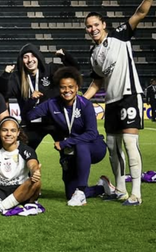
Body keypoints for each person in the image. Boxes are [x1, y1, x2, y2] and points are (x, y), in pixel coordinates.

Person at [83, 0, 156, 206]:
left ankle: (136, 194)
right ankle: (120, 190)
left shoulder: (120, 35)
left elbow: (140, 13)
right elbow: (96, 84)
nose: (92, 28)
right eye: (88, 26)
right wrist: (80, 102)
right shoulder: (93, 54)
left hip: (130, 95)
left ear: (103, 24)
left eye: (96, 24)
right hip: (111, 101)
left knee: (129, 142)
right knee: (113, 147)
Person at [26, 67, 114, 206]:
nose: (67, 91)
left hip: (94, 147)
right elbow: (30, 116)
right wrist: (32, 100)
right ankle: (101, 187)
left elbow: (91, 133)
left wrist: (65, 143)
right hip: (71, 152)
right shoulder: (52, 104)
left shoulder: (86, 105)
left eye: (71, 87)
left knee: (80, 145)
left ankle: (80, 191)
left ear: (77, 87)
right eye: (63, 87)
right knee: (69, 193)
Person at [0, 44, 78, 150]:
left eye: (33, 56)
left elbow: (75, 71)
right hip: (31, 124)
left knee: (69, 153)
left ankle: (67, 165)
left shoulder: (51, 70)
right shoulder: (17, 78)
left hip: (55, 121)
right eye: (26, 57)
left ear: (38, 57)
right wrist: (5, 75)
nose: (30, 60)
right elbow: (2, 93)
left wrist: (65, 57)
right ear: (21, 60)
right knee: (23, 153)